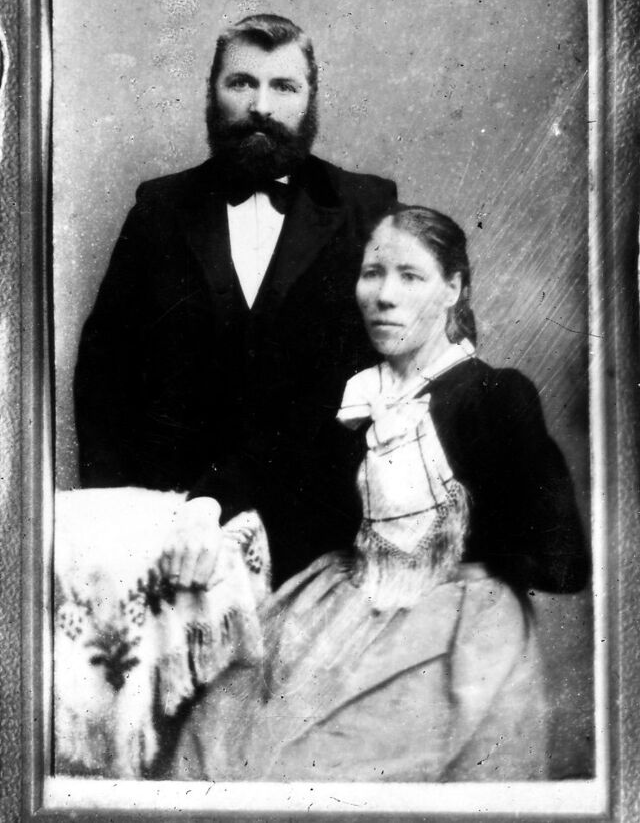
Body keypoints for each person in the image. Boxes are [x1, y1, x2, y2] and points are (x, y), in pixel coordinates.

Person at [169, 204, 589, 782]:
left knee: (318, 775)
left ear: (453, 289)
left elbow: (565, 564)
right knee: (216, 745)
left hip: (452, 634)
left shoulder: (495, 396)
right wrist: (203, 510)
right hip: (332, 612)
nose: (384, 296)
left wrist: (448, 548)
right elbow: (257, 465)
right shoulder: (353, 396)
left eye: (410, 276)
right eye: (372, 273)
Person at [73, 14, 397, 587]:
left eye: (284, 86)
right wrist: (121, 519)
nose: (261, 106)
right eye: (242, 82)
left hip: (316, 535)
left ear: (311, 98)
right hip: (168, 532)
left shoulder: (365, 207)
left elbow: (393, 372)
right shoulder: (159, 209)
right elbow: (104, 374)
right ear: (212, 91)